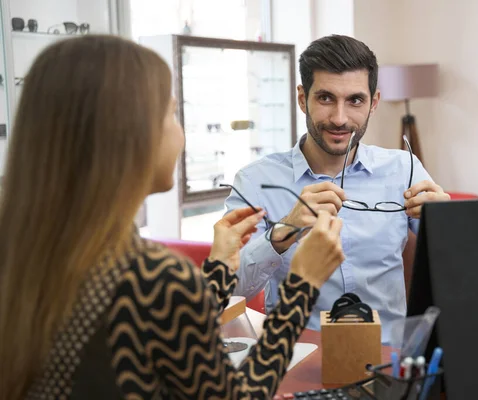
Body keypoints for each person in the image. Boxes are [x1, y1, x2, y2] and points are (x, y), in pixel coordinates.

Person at [0, 35, 344, 399]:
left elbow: (161, 332)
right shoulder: (153, 277)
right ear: (128, 135)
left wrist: (218, 272)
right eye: (170, 114)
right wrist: (302, 286)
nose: (179, 133)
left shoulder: (26, 254)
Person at [224, 35, 450, 344]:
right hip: (295, 359)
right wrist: (283, 230)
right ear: (303, 99)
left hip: (389, 361)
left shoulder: (404, 169)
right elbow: (229, 290)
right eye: (326, 98)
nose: (340, 119)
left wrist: (449, 224)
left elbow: (459, 270)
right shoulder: (255, 181)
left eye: (355, 100)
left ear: (374, 102)